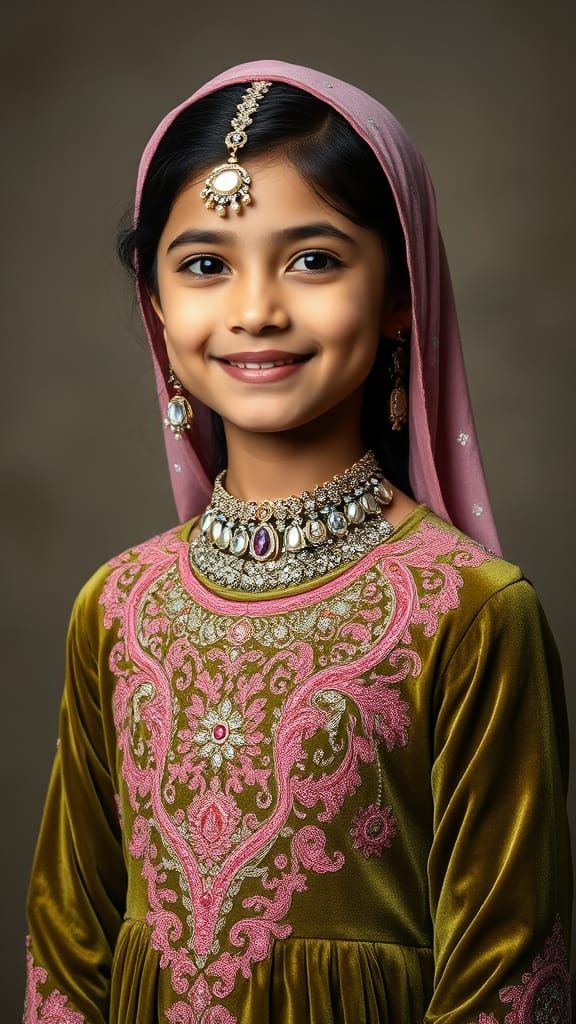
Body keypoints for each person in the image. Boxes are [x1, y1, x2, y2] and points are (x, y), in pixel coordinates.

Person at [23, 58, 573, 1024]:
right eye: (205, 265)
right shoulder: (118, 607)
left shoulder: (471, 613)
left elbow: (507, 981)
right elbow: (67, 955)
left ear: (401, 294)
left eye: (313, 260)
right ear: (156, 307)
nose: (255, 311)